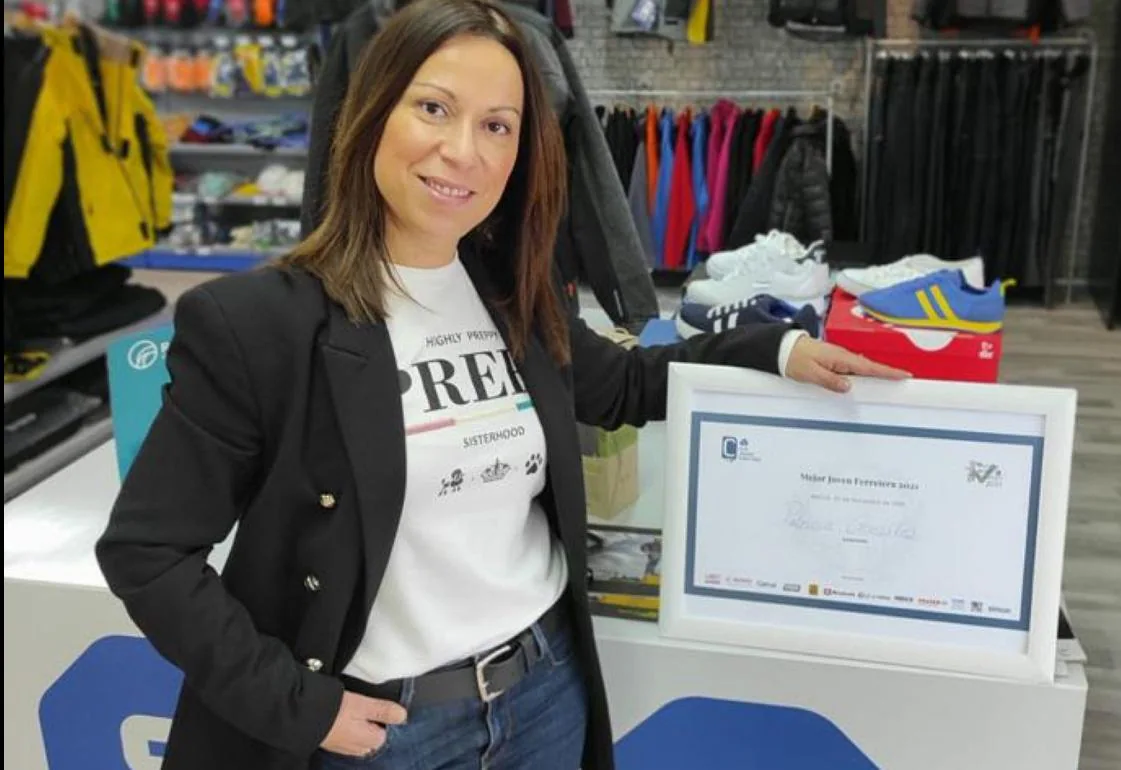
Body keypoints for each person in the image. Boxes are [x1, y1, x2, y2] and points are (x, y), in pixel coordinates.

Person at [94, 1, 908, 768]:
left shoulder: (511, 292)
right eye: (434, 109)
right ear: (371, 112)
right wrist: (302, 707)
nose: (464, 153)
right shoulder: (257, 323)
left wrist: (777, 350)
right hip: (384, 733)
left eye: (497, 126)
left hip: (543, 698)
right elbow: (148, 551)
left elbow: (623, 383)